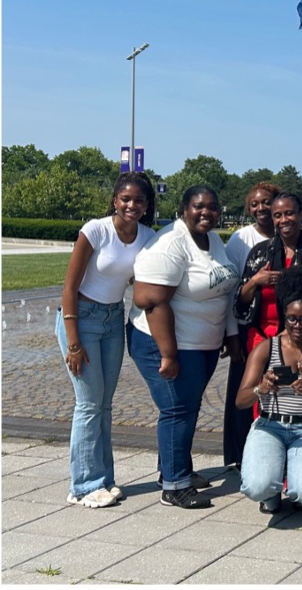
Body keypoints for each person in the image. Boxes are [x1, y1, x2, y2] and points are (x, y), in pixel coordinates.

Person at [127, 185, 241, 509]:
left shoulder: (213, 240)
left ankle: (175, 470)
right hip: (165, 343)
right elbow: (151, 301)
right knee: (177, 409)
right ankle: (174, 487)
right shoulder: (169, 244)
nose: (206, 212)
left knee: (187, 408)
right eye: (198, 206)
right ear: (184, 209)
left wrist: (229, 336)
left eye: (212, 207)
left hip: (201, 344)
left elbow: (224, 291)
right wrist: (168, 354)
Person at [55, 171, 156, 508]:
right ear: (115, 199)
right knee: (88, 403)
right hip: (79, 319)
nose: (131, 205)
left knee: (105, 405)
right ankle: (83, 485)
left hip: (113, 319)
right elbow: (69, 288)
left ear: (146, 205)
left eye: (138, 200)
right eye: (125, 199)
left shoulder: (147, 236)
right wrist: (73, 342)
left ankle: (104, 479)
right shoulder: (94, 230)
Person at [235, 262, 302, 514]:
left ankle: (296, 487)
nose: (298, 325)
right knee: (255, 487)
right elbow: (240, 401)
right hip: (269, 425)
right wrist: (261, 388)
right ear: (284, 315)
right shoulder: (267, 347)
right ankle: (270, 491)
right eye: (292, 318)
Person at [223, 181, 280, 469]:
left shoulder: (289, 234)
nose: (261, 208)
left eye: (266, 202)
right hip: (248, 328)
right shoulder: (240, 240)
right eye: (255, 204)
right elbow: (231, 290)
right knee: (243, 389)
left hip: (282, 329)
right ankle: (238, 454)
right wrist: (231, 335)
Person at [234, 192, 302, 354]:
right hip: (259, 337)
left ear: (300, 215)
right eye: (277, 215)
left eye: (289, 213)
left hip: (300, 340)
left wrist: (289, 333)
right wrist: (254, 281)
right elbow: (240, 304)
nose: (284, 220)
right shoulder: (260, 253)